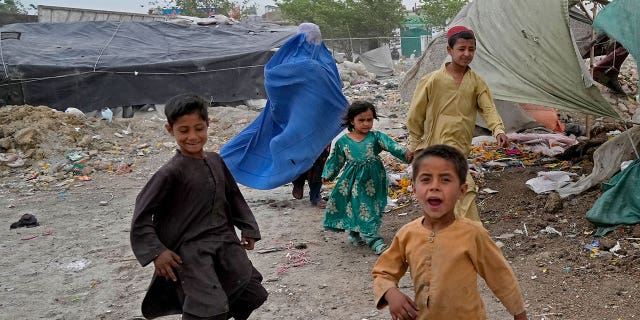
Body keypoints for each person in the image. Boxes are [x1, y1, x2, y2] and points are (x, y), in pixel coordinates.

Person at [130, 94, 267, 320]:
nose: (192, 137)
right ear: (170, 129)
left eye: (198, 128)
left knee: (249, 292)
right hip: (191, 253)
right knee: (206, 308)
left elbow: (233, 196)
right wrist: (157, 252)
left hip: (225, 245)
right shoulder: (170, 173)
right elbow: (142, 214)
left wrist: (248, 227)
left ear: (208, 125)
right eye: (184, 131)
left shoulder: (215, 160)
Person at [372, 144, 528, 320]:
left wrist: (519, 315)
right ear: (414, 189)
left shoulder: (473, 233)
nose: (435, 187)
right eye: (426, 179)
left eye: (445, 179)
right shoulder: (407, 234)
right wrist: (391, 293)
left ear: (462, 191)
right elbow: (383, 271)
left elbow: (500, 276)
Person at [406, 25, 508, 222]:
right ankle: (473, 236)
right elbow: (415, 114)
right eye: (461, 49)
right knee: (464, 190)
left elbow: (488, 108)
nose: (466, 54)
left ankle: (446, 238)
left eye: (471, 49)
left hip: (460, 147)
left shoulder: (476, 82)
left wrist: (498, 130)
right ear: (449, 50)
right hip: (436, 147)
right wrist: (413, 143)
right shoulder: (432, 80)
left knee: (446, 195)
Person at [322, 101, 413, 255]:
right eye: (361, 120)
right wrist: (328, 174)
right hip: (353, 181)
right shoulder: (343, 142)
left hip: (374, 180)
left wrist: (405, 153)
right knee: (363, 207)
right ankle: (375, 241)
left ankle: (355, 232)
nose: (366, 124)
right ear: (352, 121)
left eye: (369, 120)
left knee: (371, 207)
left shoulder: (376, 137)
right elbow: (336, 160)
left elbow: (391, 145)